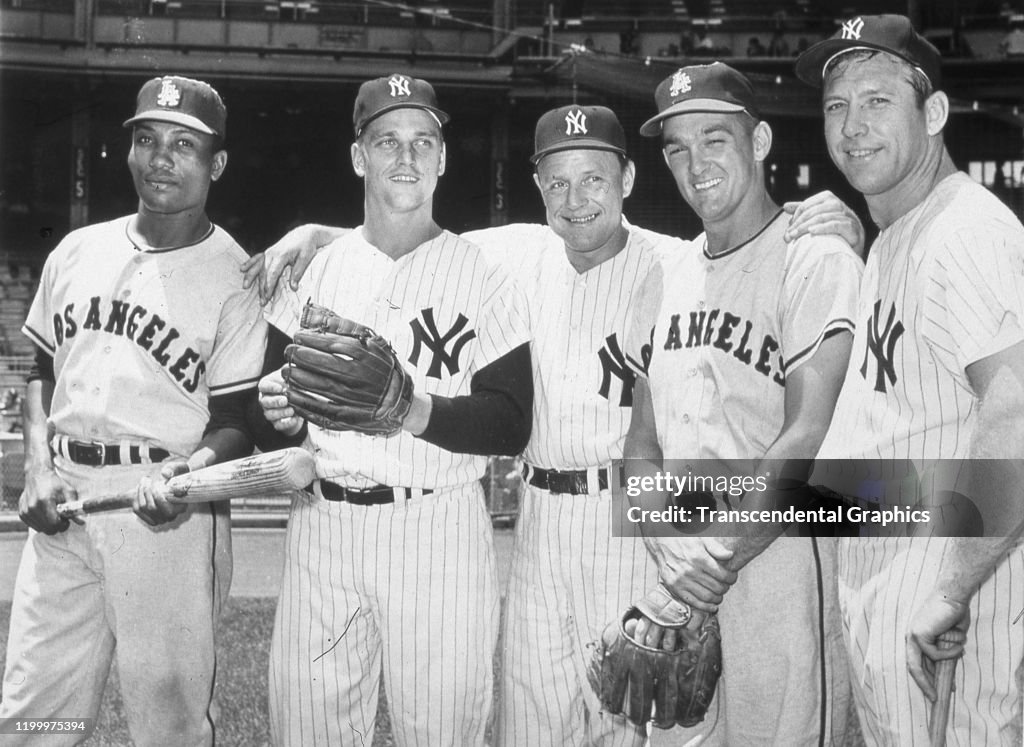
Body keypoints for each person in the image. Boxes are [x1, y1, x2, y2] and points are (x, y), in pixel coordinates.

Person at [244, 101, 863, 745]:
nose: (576, 200)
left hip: (634, 521)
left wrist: (835, 221)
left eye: (594, 178)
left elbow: (747, 252)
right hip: (540, 524)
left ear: (626, 181)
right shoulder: (512, 252)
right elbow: (407, 235)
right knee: (530, 724)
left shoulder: (676, 263)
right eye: (558, 182)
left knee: (642, 725)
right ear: (538, 187)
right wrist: (315, 233)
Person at [255, 73, 533, 746]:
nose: (405, 158)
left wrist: (413, 408)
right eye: (387, 141)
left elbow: (510, 419)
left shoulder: (484, 272)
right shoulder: (315, 270)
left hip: (436, 526)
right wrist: (279, 411)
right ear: (359, 157)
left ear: (442, 157)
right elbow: (273, 406)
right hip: (325, 526)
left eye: (422, 141)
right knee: (307, 728)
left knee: (441, 731)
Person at [0, 75, 265, 746]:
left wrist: (188, 476)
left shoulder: (234, 274)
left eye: (184, 144)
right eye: (147, 139)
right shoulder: (77, 250)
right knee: (33, 714)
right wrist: (37, 467)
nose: (161, 158)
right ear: (128, 152)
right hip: (62, 505)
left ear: (217, 164)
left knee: (168, 724)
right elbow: (40, 372)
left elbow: (239, 419)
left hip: (164, 512)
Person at [795, 13, 1024, 745]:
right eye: (837, 106)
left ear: (933, 112)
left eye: (876, 100)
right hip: (891, 576)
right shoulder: (903, 234)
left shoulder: (967, 229)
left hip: (943, 605)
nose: (852, 126)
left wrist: (950, 591)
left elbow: (1015, 409)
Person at [623, 61, 863, 745]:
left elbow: (806, 431)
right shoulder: (663, 276)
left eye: (714, 140)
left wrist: (712, 559)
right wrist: (664, 543)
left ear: (758, 142)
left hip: (778, 559)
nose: (694, 163)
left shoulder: (814, 258)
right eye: (677, 148)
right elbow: (641, 442)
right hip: (681, 559)